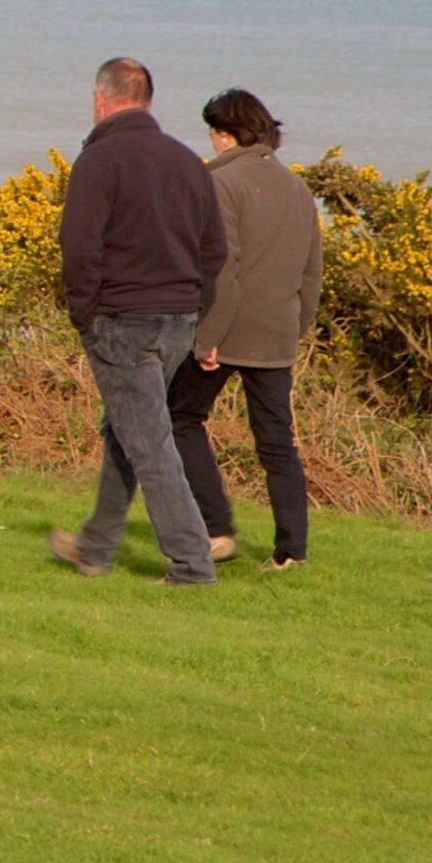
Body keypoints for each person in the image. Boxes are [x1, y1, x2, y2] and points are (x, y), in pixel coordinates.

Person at [48, 57, 229, 585]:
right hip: (177, 321)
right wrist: (192, 305)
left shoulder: (99, 160)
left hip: (121, 320)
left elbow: (78, 248)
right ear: (146, 99)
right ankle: (96, 546)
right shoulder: (186, 163)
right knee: (127, 429)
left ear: (101, 99)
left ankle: (191, 564)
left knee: (148, 441)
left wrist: (84, 312)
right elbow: (215, 251)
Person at [171, 87, 323, 569]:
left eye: (213, 134)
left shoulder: (222, 184)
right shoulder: (298, 189)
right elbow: (312, 272)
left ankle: (218, 529)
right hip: (277, 333)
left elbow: (223, 270)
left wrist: (207, 339)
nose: (211, 144)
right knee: (278, 442)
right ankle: (291, 552)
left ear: (226, 134)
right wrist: (295, 327)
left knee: (181, 417)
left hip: (230, 329)